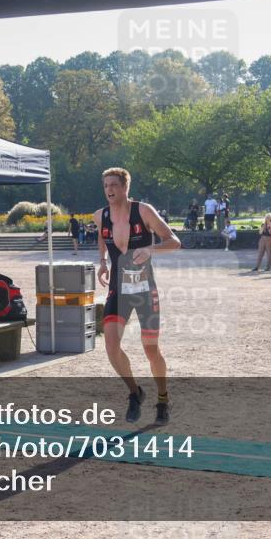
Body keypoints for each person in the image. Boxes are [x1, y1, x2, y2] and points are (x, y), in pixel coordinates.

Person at [95, 167, 181, 425]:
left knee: (151, 350)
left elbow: (174, 241)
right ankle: (135, 392)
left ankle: (163, 399)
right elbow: (102, 238)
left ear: (125, 188)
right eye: (106, 185)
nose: (109, 190)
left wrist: (150, 248)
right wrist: (101, 261)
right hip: (118, 290)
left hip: (144, 289)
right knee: (111, 346)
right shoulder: (101, 216)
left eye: (114, 185)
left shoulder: (143, 211)